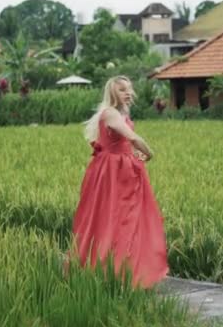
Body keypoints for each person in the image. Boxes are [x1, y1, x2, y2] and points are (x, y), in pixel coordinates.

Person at [64, 75, 169, 289]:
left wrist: (134, 157)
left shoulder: (118, 114)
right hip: (112, 172)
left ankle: (123, 271)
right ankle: (106, 271)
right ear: (112, 93)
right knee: (111, 218)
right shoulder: (111, 113)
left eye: (129, 89)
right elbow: (133, 138)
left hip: (122, 168)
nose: (128, 92)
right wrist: (149, 154)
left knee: (126, 219)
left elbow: (125, 144)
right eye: (122, 89)